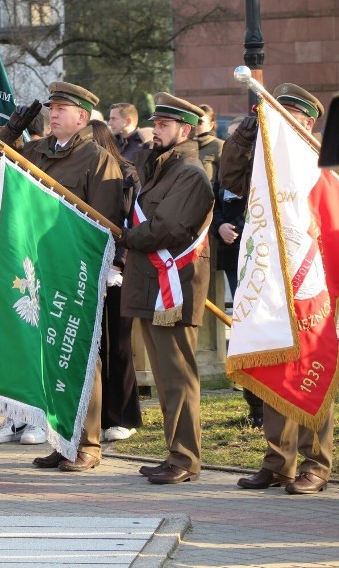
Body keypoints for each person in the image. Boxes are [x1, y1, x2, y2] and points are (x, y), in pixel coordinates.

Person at [0, 82, 125, 472]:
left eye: (63, 108)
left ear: (83, 117)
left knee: (81, 353)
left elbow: (105, 222)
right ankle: (62, 438)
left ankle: (89, 443)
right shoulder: (37, 150)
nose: (55, 114)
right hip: (39, 266)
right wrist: (11, 132)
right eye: (52, 108)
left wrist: (104, 268)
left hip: (76, 269)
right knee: (49, 352)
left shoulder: (98, 159)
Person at [227, 84, 333, 495]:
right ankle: (278, 462)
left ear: (306, 121)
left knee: (309, 368)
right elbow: (232, 178)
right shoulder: (265, 153)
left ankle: (317, 464)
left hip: (311, 278)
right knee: (273, 362)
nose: (277, 120)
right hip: (270, 276)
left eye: (285, 114)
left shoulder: (320, 157)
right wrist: (247, 131)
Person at [120, 92, 214, 484]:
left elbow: (168, 228)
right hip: (149, 287)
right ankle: (174, 451)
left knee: (178, 378)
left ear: (185, 129)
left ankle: (187, 458)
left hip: (173, 289)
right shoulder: (161, 167)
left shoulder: (190, 173)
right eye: (155, 124)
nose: (155, 131)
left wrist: (124, 235)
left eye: (163, 125)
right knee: (163, 378)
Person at [87, 120, 143, 442]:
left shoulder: (126, 174)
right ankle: (96, 416)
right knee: (93, 347)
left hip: (117, 270)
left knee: (118, 345)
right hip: (84, 265)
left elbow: (131, 221)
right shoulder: (79, 173)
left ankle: (122, 415)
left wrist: (117, 262)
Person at [210, 115, 260, 427]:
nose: (231, 149)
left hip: (255, 254)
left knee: (257, 329)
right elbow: (214, 204)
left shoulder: (257, 169)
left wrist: (237, 227)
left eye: (237, 144)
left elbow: (259, 209)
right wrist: (220, 226)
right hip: (230, 255)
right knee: (241, 327)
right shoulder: (225, 171)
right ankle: (254, 408)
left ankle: (264, 410)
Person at [195, 104, 224, 190]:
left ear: (211, 125)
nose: (195, 125)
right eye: (193, 121)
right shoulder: (184, 145)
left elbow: (225, 182)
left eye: (199, 122)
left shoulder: (219, 146)